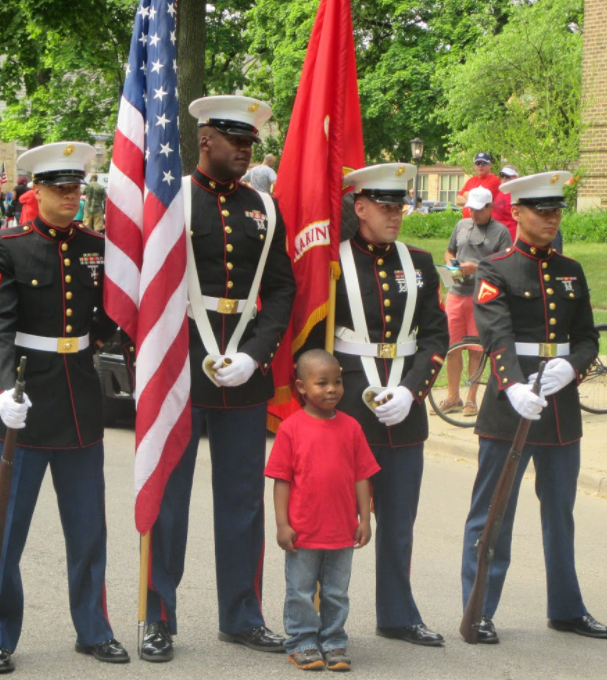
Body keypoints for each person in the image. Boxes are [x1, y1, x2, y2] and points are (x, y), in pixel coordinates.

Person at [140, 95, 296, 663]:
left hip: (244, 372)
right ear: (205, 140)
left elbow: (280, 288)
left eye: (251, 142)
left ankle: (243, 615)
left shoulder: (265, 207)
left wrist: (256, 355)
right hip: (181, 369)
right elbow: (147, 285)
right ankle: (157, 616)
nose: (244, 151)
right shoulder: (171, 199)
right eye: (235, 140)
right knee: (169, 501)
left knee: (242, 502)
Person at [0, 141, 129, 673]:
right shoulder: (6, 245)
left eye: (75, 188)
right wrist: (1, 389)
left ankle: (93, 629)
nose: (70, 197)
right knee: (7, 533)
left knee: (88, 530)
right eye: (60, 188)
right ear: (35, 191)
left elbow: (109, 316)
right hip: (24, 400)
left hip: (80, 399)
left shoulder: (96, 244)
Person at [461, 171, 607, 644]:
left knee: (560, 513)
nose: (551, 219)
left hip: (561, 407)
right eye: (541, 211)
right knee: (492, 512)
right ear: (519, 213)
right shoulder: (496, 269)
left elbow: (587, 336)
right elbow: (495, 332)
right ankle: (478, 610)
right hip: (513, 405)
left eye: (556, 211)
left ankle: (566, 608)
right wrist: (511, 386)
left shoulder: (572, 269)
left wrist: (574, 367)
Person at [312, 163, 448, 647]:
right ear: (360, 206)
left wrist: (412, 390)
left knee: (399, 522)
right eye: (386, 206)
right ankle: (325, 621)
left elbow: (435, 334)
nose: (395, 215)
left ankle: (397, 614)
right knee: (334, 521)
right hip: (347, 406)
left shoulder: (420, 262)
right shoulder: (332, 263)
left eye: (400, 206)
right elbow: (314, 339)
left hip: (403, 408)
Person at [265, 350, 380, 672]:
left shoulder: (352, 427)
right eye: (322, 383)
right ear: (301, 387)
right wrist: (282, 524)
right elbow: (282, 481)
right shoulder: (290, 428)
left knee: (336, 592)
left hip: (342, 530)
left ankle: (333, 641)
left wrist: (364, 519)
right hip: (303, 530)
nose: (332, 389)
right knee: (301, 591)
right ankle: (302, 642)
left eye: (338, 382)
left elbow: (361, 476)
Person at [440, 187, 512, 416]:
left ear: (490, 208)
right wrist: (451, 262)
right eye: (471, 208)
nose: (473, 213)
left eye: (479, 210)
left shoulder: (500, 232)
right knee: (452, 348)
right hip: (455, 292)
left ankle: (471, 399)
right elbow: (449, 250)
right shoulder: (461, 226)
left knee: (475, 349)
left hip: (482, 297)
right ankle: (453, 397)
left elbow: (505, 266)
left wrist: (477, 268)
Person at [456, 152, 501, 219]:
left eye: (483, 163)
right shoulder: (471, 180)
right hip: (467, 222)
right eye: (477, 163)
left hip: (483, 222)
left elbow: (482, 198)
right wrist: (475, 200)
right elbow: (458, 200)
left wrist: (466, 194)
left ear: (490, 165)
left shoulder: (494, 180)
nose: (480, 165)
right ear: (474, 166)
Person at [491, 165, 518, 241]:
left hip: (510, 237)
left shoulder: (517, 194)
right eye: (502, 176)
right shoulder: (500, 192)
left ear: (515, 178)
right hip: (495, 235)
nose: (504, 178)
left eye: (507, 176)